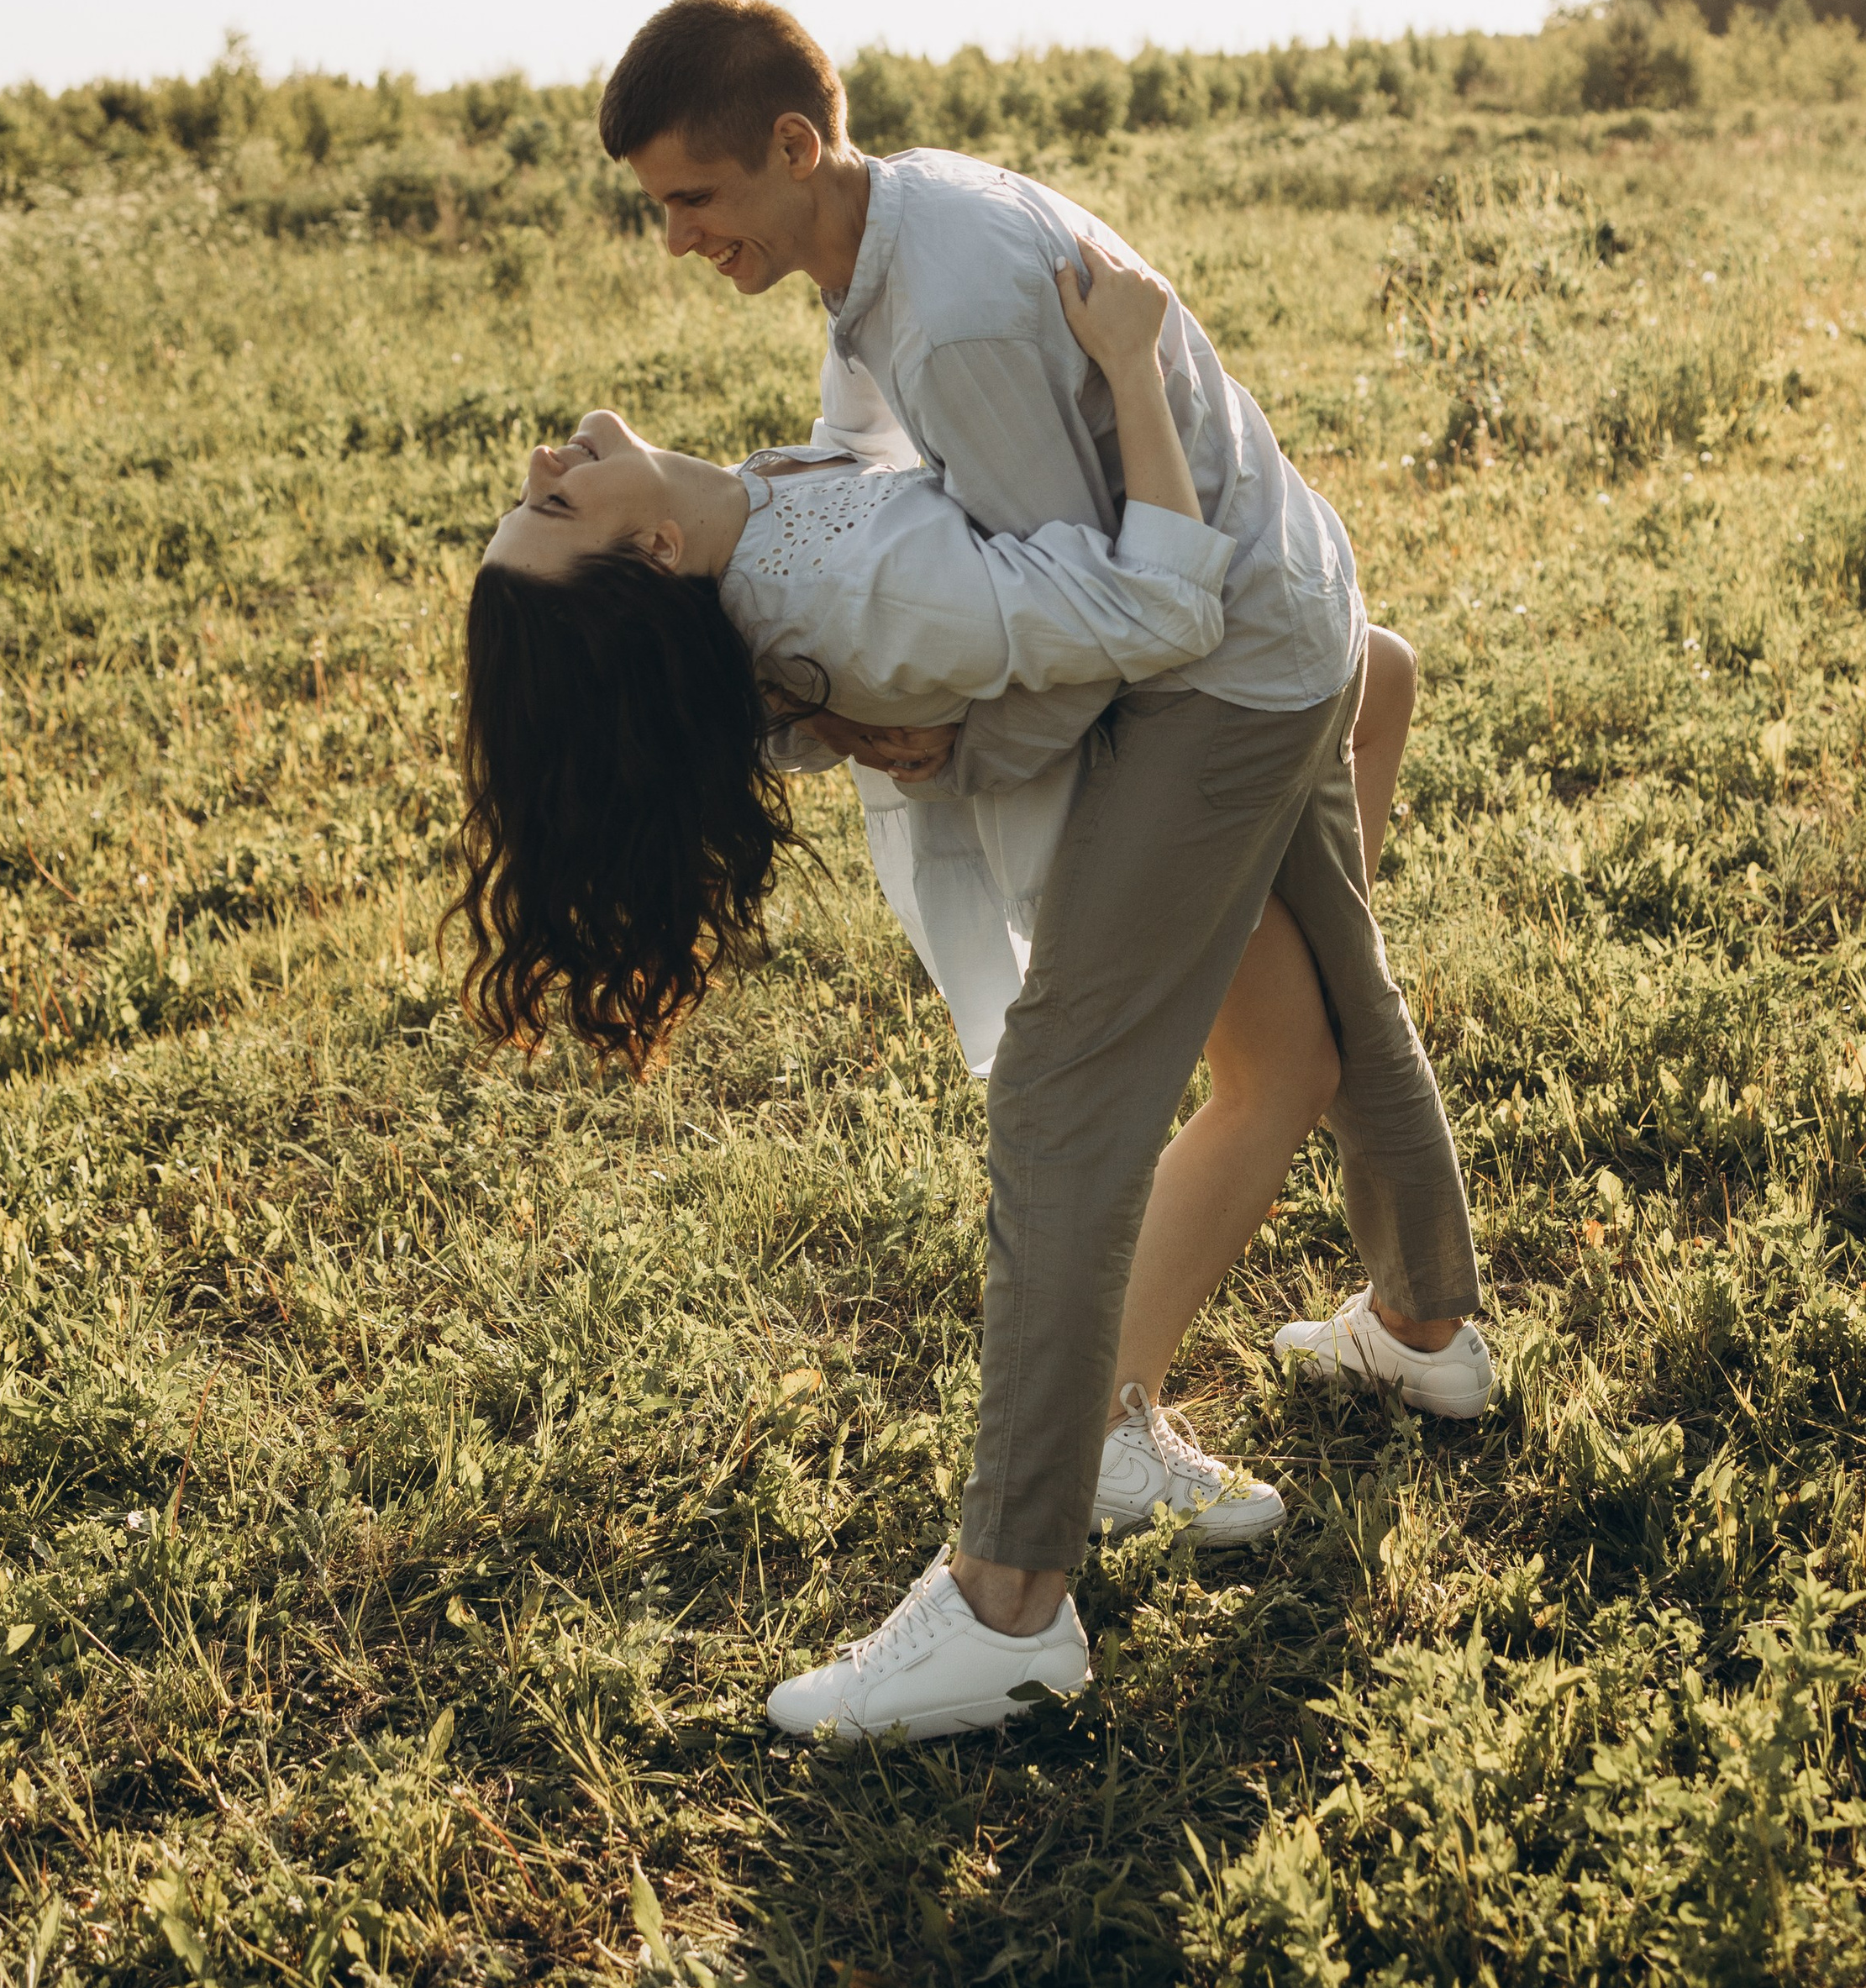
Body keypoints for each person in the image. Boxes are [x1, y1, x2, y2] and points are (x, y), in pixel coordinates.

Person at [600, 0, 1490, 1744]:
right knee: (1329, 982)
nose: (678, 242)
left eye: (693, 200)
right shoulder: (888, 243)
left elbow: (1091, 611)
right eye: (655, 210)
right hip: (1280, 601)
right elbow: (913, 501)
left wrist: (911, 734)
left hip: (1218, 658)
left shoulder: (945, 310)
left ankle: (1010, 1594)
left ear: (795, 147)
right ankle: (1426, 1325)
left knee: (1066, 1087)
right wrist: (865, 719)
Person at [455, 236, 1322, 1550]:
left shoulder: (758, 505)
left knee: (1381, 676)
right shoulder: (851, 593)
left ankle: (1327, 1316)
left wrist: (854, 248)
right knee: (1280, 1076)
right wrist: (1135, 368)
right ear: (662, 546)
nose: (540, 468)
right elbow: (1156, 609)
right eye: (557, 510)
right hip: (1130, 803)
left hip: (1159, 766)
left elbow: (851, 442)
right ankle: (1105, 1434)